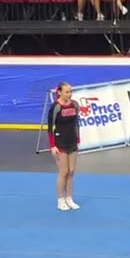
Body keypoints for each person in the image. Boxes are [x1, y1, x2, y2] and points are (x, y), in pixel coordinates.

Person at [46, 82, 81, 211]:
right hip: (60, 142)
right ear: (59, 92)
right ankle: (60, 199)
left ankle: (69, 198)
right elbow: (50, 128)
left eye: (71, 91)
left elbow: (76, 124)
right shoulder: (55, 107)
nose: (70, 94)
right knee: (64, 172)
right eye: (67, 92)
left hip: (72, 141)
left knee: (71, 171)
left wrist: (78, 140)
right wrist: (52, 146)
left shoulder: (75, 105)